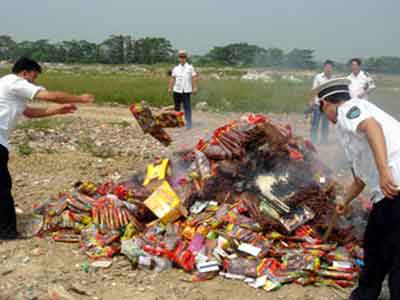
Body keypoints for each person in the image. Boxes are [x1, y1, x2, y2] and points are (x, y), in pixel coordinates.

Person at [314, 78, 400, 300]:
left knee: (393, 249)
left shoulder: (349, 109)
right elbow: (360, 179)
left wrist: (383, 171)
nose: (325, 115)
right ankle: (365, 294)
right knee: (375, 242)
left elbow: (373, 127)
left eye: (322, 109)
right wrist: (345, 199)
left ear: (326, 103)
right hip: (387, 190)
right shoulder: (347, 130)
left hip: (395, 183)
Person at [0, 57, 94, 240]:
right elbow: (50, 96)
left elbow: (29, 113)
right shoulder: (15, 82)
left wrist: (57, 111)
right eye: (33, 77)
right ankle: (6, 232)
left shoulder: (8, 87)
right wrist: (80, 98)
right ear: (24, 72)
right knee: (2, 188)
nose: (34, 82)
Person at [168, 50, 198, 129]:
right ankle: (177, 122)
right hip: (177, 90)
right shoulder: (175, 68)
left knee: (187, 107)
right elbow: (172, 78)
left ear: (186, 58)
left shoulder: (190, 67)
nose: (182, 58)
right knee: (177, 107)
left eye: (184, 57)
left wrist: (194, 87)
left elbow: (194, 78)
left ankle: (189, 123)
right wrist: (170, 87)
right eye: (181, 57)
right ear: (178, 58)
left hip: (186, 90)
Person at [309, 60, 335, 144]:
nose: (328, 69)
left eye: (330, 67)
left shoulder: (334, 79)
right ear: (324, 68)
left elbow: (334, 92)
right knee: (315, 123)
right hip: (318, 104)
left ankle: (324, 141)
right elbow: (314, 89)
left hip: (328, 105)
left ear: (332, 69)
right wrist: (312, 101)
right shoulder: (318, 77)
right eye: (326, 67)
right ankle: (313, 141)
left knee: (325, 124)